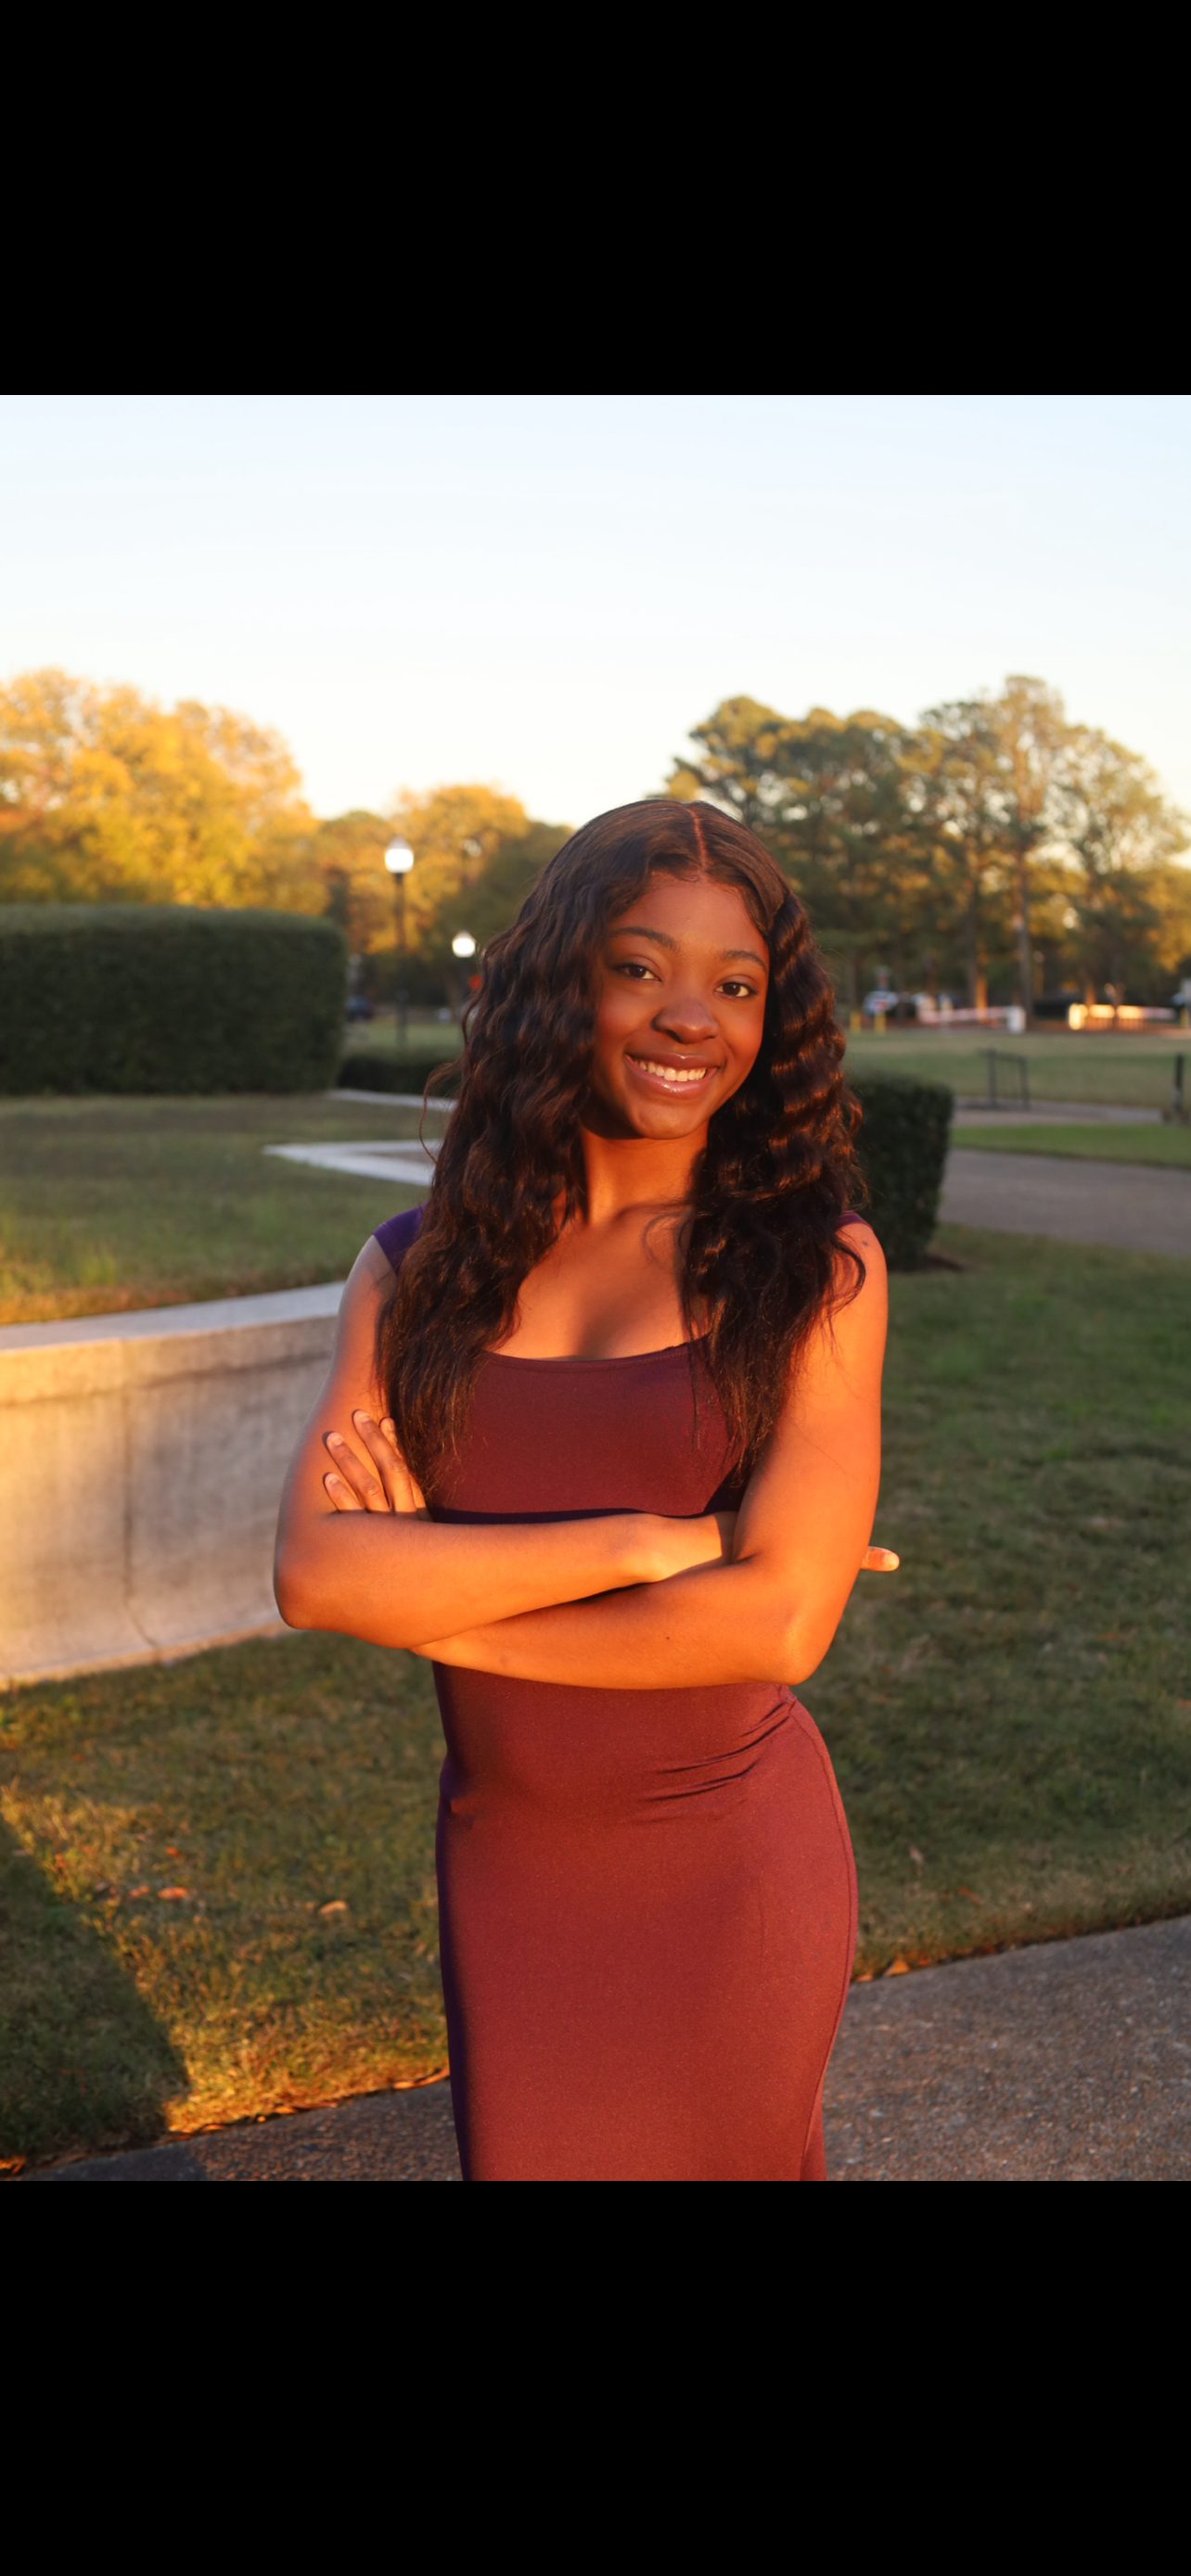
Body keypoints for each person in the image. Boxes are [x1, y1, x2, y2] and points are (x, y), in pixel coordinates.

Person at [275, 799, 891, 2180]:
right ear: (563, 981)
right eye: (640, 967)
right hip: (510, 1864)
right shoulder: (417, 1267)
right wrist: (662, 1542)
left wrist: (436, 1606)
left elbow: (781, 1623)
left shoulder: (818, 1270)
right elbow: (317, 1574)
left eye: (737, 985)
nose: (692, 1018)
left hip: (730, 1864)